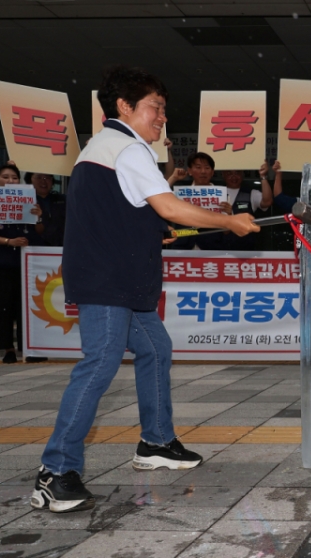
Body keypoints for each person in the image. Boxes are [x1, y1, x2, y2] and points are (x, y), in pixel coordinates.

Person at [32, 65, 257, 514]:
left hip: (120, 277)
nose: (161, 119)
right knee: (100, 364)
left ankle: (155, 442)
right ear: (124, 106)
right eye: (155, 108)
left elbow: (123, 213)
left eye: (162, 110)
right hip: (109, 280)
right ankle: (55, 471)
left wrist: (151, 230)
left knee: (155, 348)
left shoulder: (103, 147)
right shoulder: (127, 149)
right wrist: (228, 220)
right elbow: (171, 204)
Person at [0, 163, 38, 363]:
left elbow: (40, 232)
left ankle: (29, 347)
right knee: (1, 307)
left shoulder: (28, 201)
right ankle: (8, 348)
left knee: (27, 307)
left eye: (14, 177)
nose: (10, 181)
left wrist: (39, 216)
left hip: (25, 264)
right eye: (5, 177)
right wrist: (8, 242)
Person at [25, 172, 66, 247]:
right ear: (30, 180)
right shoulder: (25, 201)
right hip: (35, 248)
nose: (43, 181)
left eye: (47, 178)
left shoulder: (64, 199)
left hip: (62, 247)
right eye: (39, 177)